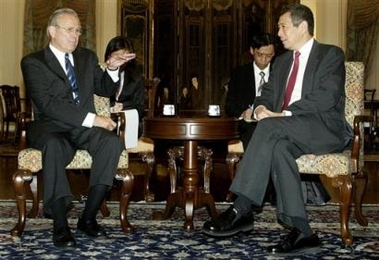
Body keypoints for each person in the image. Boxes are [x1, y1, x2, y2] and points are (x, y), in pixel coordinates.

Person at [202, 3, 350, 255]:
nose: (278, 33)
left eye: (283, 27)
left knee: (271, 127)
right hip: (289, 130)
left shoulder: (330, 54)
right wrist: (260, 109)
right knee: (279, 149)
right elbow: (266, 95)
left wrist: (282, 113)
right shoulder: (281, 63)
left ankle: (241, 208)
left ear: (302, 26)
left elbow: (327, 96)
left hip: (324, 128)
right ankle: (303, 231)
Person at [20, 8, 132, 248]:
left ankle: (88, 217)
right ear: (52, 31)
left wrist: (112, 68)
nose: (75, 35)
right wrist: (93, 119)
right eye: (69, 30)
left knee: (111, 143)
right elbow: (47, 104)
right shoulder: (33, 62)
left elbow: (103, 89)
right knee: (53, 147)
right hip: (51, 126)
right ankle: (60, 224)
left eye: (78, 30)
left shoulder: (87, 57)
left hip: (80, 127)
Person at [225, 33, 276, 150]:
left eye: (269, 56)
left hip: (273, 124)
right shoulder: (240, 74)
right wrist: (243, 113)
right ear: (252, 51)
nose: (264, 60)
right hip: (247, 126)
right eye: (260, 55)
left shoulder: (279, 73)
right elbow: (229, 106)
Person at [104, 36, 144, 136]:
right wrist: (112, 108)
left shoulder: (136, 78)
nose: (121, 59)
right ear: (109, 56)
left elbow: (139, 108)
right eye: (117, 55)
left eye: (125, 56)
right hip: (104, 122)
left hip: (128, 124)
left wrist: (123, 109)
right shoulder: (99, 73)